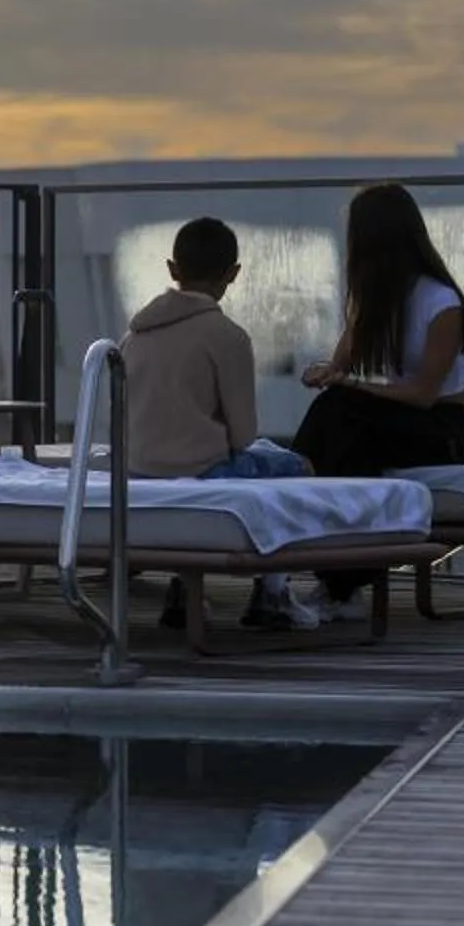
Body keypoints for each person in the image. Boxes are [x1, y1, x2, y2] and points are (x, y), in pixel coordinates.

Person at [290, 182, 464, 615]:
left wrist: (349, 384)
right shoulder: (374, 299)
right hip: (394, 420)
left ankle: (339, 582)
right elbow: (341, 367)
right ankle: (339, 581)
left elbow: (422, 395)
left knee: (345, 419)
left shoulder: (441, 303)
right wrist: (326, 373)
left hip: (444, 430)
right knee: (337, 417)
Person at [119, 215, 314, 630]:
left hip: (136, 471)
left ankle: (183, 589)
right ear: (233, 273)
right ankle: (273, 594)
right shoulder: (227, 336)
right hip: (200, 470)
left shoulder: (131, 338)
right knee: (296, 468)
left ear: (172, 269)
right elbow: (243, 437)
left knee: (263, 458)